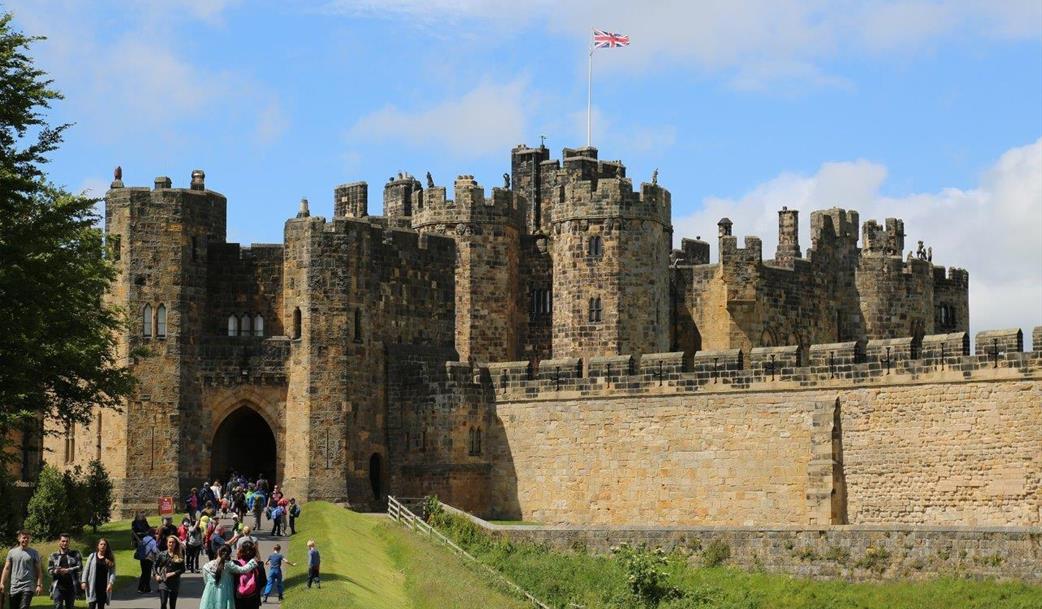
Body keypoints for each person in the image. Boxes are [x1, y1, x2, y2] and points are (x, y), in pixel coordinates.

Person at [198, 544, 257, 609]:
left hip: (209, 593)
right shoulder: (229, 565)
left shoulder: (206, 566)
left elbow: (206, 581)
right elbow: (243, 570)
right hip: (225, 593)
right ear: (228, 554)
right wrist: (252, 562)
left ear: (218, 551)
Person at [1, 530, 44, 609]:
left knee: (24, 607)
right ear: (19, 539)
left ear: (30, 539)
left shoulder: (34, 553)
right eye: (24, 538)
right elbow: (6, 568)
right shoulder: (11, 552)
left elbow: (39, 571)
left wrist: (39, 585)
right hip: (14, 586)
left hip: (28, 585)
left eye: (28, 538)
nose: (26, 540)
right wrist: (2, 583)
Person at [47, 532, 82, 609]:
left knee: (70, 607)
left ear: (69, 542)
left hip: (71, 586)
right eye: (63, 541)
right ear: (59, 542)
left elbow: (80, 567)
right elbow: (49, 570)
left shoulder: (75, 553)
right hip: (58, 587)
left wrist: (68, 570)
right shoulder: (53, 555)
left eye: (67, 541)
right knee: (58, 606)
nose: (65, 543)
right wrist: (56, 571)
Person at [80, 538, 115, 609]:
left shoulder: (109, 558)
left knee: (101, 607)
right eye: (101, 544)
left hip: (103, 588)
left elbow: (112, 573)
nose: (103, 546)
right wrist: (83, 581)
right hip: (92, 586)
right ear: (98, 546)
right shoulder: (92, 556)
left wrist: (110, 583)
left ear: (107, 546)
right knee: (91, 606)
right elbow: (86, 570)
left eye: (104, 544)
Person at [153, 535, 186, 609]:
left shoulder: (179, 555)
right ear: (167, 543)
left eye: (173, 542)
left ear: (175, 544)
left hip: (174, 583)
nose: (171, 544)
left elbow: (183, 569)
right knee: (163, 603)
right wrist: (156, 575)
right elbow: (154, 566)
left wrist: (172, 573)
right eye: (170, 542)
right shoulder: (162, 554)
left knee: (172, 605)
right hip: (163, 582)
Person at [232, 542, 264, 609]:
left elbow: (232, 580)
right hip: (254, 597)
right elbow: (263, 581)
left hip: (239, 597)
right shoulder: (259, 564)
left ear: (241, 551)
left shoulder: (235, 564)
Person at [134, 527, 158, 594]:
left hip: (142, 558)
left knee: (143, 573)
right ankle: (147, 588)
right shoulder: (153, 541)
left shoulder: (143, 539)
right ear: (153, 534)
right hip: (149, 558)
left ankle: (141, 588)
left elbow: (139, 548)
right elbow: (154, 550)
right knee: (147, 574)